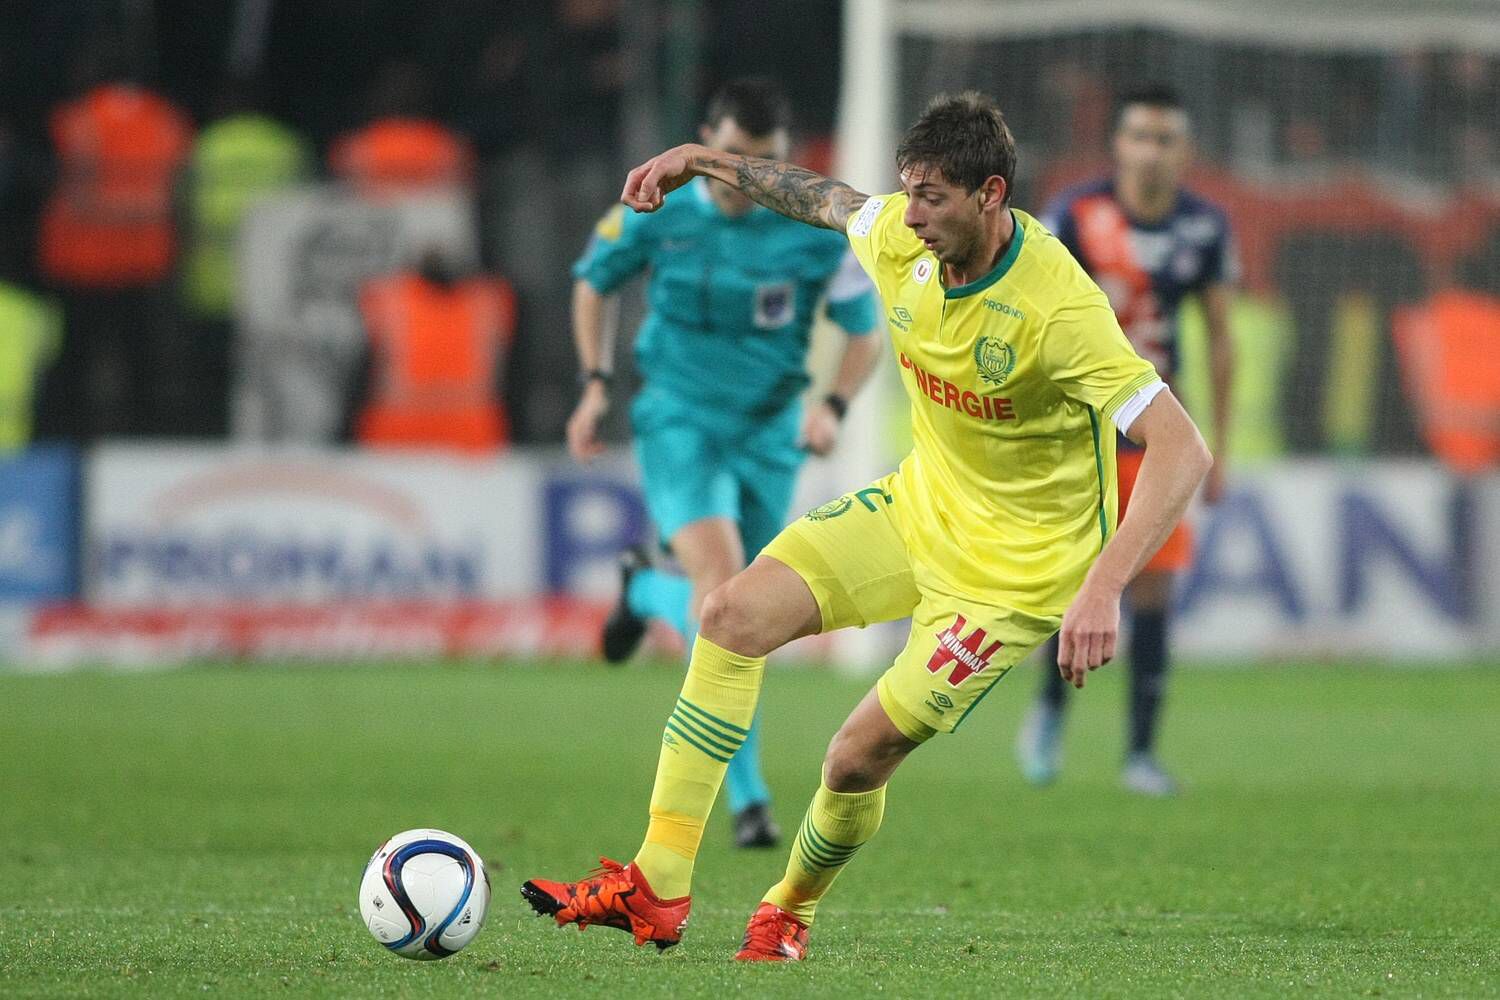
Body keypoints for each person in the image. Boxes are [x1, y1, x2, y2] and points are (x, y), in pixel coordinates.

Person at [521, 90, 1212, 961]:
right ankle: (656, 887)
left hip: (1014, 577)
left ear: (991, 195)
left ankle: (789, 909)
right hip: (919, 512)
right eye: (907, 191)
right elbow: (817, 196)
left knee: (853, 760)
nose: (910, 216)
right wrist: (699, 159)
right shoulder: (899, 235)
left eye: (933, 199)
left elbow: (1181, 449)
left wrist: (1103, 588)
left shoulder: (1059, 308)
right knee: (729, 614)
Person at [565, 77, 882, 849]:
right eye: (734, 155)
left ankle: (645, 588)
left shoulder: (812, 231)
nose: (745, 176)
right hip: (680, 420)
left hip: (770, 433)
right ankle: (748, 800)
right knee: (721, 580)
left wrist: (833, 406)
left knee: (749, 612)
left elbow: (865, 332)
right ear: (707, 143)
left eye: (762, 159)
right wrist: (596, 383)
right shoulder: (659, 210)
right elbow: (593, 283)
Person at [1017, 85, 1237, 796]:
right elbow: (1035, 313)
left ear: (1185, 151)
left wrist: (1221, 447)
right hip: (1082, 431)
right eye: (1139, 136)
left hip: (1157, 433)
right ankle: (1049, 713)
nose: (1150, 151)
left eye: (1164, 139)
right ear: (1117, 144)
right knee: (1077, 582)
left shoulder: (1204, 227)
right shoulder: (1075, 214)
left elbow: (1221, 337)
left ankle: (1140, 753)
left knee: (1154, 591)